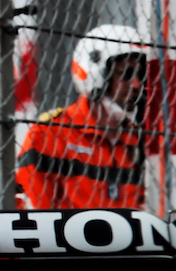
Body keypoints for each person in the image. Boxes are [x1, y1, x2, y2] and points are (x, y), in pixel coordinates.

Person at [16, 24, 151, 210]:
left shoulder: (138, 142)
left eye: (141, 75)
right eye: (126, 74)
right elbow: (34, 218)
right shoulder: (49, 136)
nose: (136, 85)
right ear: (96, 75)